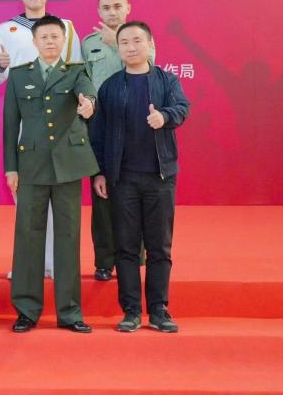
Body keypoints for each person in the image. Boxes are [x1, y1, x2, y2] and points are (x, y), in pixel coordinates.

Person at [91, 21, 190, 333]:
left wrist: (165, 116)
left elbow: (182, 108)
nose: (131, 47)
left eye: (137, 41)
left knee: (159, 246)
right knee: (126, 246)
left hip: (160, 177)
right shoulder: (109, 87)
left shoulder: (166, 80)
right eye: (124, 42)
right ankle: (131, 310)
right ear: (118, 48)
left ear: (150, 44)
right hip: (122, 179)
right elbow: (98, 134)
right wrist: (100, 172)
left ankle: (159, 310)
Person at [0, 0, 83, 278]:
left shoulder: (65, 27)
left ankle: (55, 263)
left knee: (60, 198)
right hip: (26, 122)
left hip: (60, 122)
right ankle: (31, 263)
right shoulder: (7, 29)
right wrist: (1, 64)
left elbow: (78, 73)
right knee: (27, 197)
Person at [4, 16, 98, 334]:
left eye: (55, 36)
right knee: (28, 236)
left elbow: (87, 94)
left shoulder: (76, 72)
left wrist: (88, 104)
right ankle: (26, 310)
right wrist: (10, 168)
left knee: (68, 238)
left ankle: (70, 312)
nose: (49, 42)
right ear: (34, 42)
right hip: (30, 165)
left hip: (68, 166)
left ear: (64, 40)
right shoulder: (19, 75)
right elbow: (10, 125)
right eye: (43, 37)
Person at [81, 0, 155, 281]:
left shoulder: (142, 38)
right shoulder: (88, 43)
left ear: (128, 8)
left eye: (117, 6)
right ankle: (104, 260)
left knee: (134, 192)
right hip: (101, 124)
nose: (112, 12)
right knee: (102, 193)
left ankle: (134, 256)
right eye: (106, 7)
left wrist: (118, 42)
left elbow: (151, 70)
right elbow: (84, 81)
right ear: (98, 11)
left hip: (136, 125)